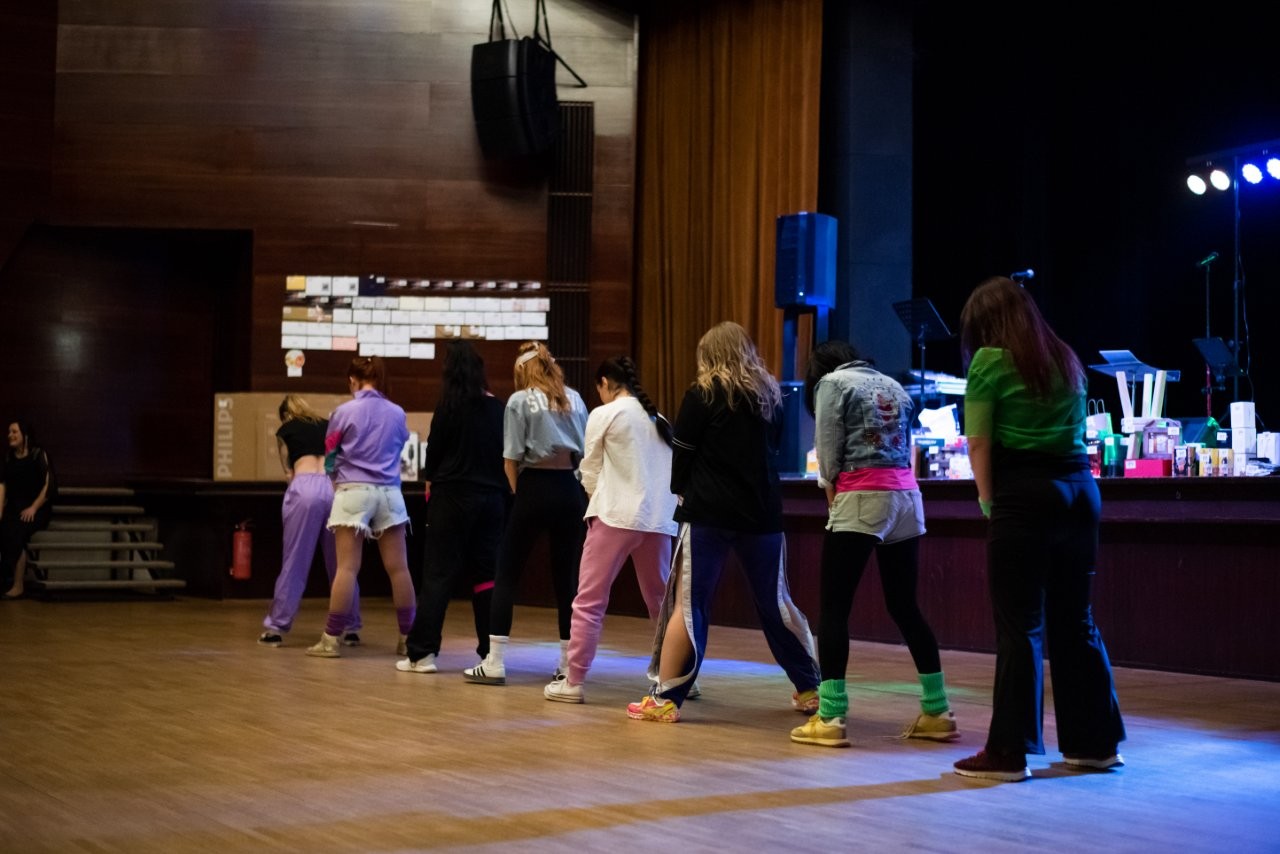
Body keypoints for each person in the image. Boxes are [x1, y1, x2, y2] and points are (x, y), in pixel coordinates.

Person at [952, 276, 1125, 782]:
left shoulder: (989, 362)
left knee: (1020, 626)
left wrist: (988, 502)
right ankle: (1095, 745)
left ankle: (1009, 753)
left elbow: (978, 443)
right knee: (1076, 621)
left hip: (1024, 496)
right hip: (1079, 492)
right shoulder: (1065, 357)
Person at [627, 321, 820, 723]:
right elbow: (774, 451)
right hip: (762, 512)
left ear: (708, 355)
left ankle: (666, 699)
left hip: (708, 512)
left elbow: (682, 454)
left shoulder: (701, 394)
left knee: (690, 604)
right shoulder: (770, 395)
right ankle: (810, 689)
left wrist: (680, 490)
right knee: (775, 601)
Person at [789, 341, 958, 748]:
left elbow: (828, 455)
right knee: (905, 606)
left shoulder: (832, 384)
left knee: (834, 609)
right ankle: (937, 711)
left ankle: (830, 717)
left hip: (862, 496)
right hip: (907, 499)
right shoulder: (892, 385)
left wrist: (833, 503)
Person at [544, 356, 678, 703]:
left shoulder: (605, 414)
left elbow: (589, 470)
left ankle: (573, 681)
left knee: (589, 601)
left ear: (604, 383)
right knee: (662, 603)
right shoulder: (659, 419)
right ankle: (678, 679)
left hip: (614, 515)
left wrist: (597, 501)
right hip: (657, 520)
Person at [463, 341, 588, 685]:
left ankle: (494, 661)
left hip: (534, 486)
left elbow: (511, 459)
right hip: (570, 489)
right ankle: (567, 664)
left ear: (522, 370)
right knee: (567, 580)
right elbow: (585, 453)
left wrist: (522, 496)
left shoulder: (519, 400)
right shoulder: (576, 398)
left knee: (506, 573)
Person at [397, 341, 507, 674]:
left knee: (438, 575)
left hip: (451, 498)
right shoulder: (499, 408)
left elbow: (434, 454)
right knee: (486, 578)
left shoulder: (448, 406)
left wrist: (431, 485)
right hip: (492, 500)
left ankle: (422, 654)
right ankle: (490, 655)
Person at [306, 356, 417, 658]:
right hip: (390, 493)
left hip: (352, 491)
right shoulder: (397, 412)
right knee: (399, 568)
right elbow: (399, 446)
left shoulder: (343, 412)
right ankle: (408, 639)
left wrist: (335, 481)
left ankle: (330, 640)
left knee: (347, 567)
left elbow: (330, 455)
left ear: (353, 381)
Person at [259, 395, 362, 646]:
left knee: (295, 560)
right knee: (342, 563)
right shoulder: (327, 425)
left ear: (285, 415)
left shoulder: (285, 429)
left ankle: (276, 627)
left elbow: (289, 471)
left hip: (304, 487)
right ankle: (350, 627)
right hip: (333, 488)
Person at [1, 421, 54, 599]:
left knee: (16, 531)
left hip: (37, 508)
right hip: (14, 507)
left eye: (14, 431)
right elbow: (2, 485)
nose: (10, 435)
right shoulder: (9, 457)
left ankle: (18, 585)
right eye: (9, 432)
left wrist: (33, 507)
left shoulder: (38, 454)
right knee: (6, 526)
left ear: (25, 434)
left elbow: (49, 485)